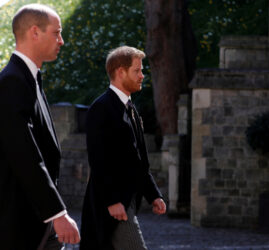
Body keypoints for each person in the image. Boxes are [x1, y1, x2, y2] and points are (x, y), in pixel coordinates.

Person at [0, 4, 80, 249]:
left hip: (37, 221)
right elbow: (24, 154)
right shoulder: (12, 81)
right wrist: (57, 213)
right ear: (35, 32)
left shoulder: (30, 79)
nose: (62, 40)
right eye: (56, 33)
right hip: (20, 222)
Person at [80, 46, 166, 250]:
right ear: (120, 72)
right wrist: (112, 201)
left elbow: (138, 161)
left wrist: (153, 194)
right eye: (137, 70)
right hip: (111, 206)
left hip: (127, 202)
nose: (142, 76)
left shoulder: (131, 109)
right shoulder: (101, 108)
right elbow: (98, 160)